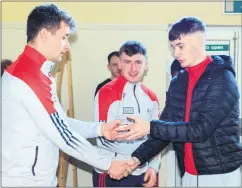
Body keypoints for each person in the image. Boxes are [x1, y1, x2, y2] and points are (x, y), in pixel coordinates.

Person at [1, 4, 131, 187]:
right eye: (63, 38)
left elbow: (60, 122)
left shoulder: (37, 73)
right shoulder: (29, 76)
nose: (67, 46)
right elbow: (65, 136)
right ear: (45, 34)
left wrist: (100, 129)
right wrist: (108, 164)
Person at [116, 17, 242, 187]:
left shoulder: (222, 78)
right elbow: (166, 127)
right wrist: (137, 158)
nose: (175, 53)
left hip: (219, 174)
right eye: (173, 47)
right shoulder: (178, 82)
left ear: (200, 40)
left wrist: (149, 127)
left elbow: (201, 130)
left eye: (180, 46)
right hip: (188, 173)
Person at [93, 41, 161, 187]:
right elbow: (102, 138)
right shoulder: (106, 92)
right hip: (113, 170)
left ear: (146, 64)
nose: (133, 68)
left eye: (138, 62)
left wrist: (153, 166)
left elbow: (157, 136)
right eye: (127, 62)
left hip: (143, 171)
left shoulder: (152, 97)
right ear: (120, 65)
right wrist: (137, 156)